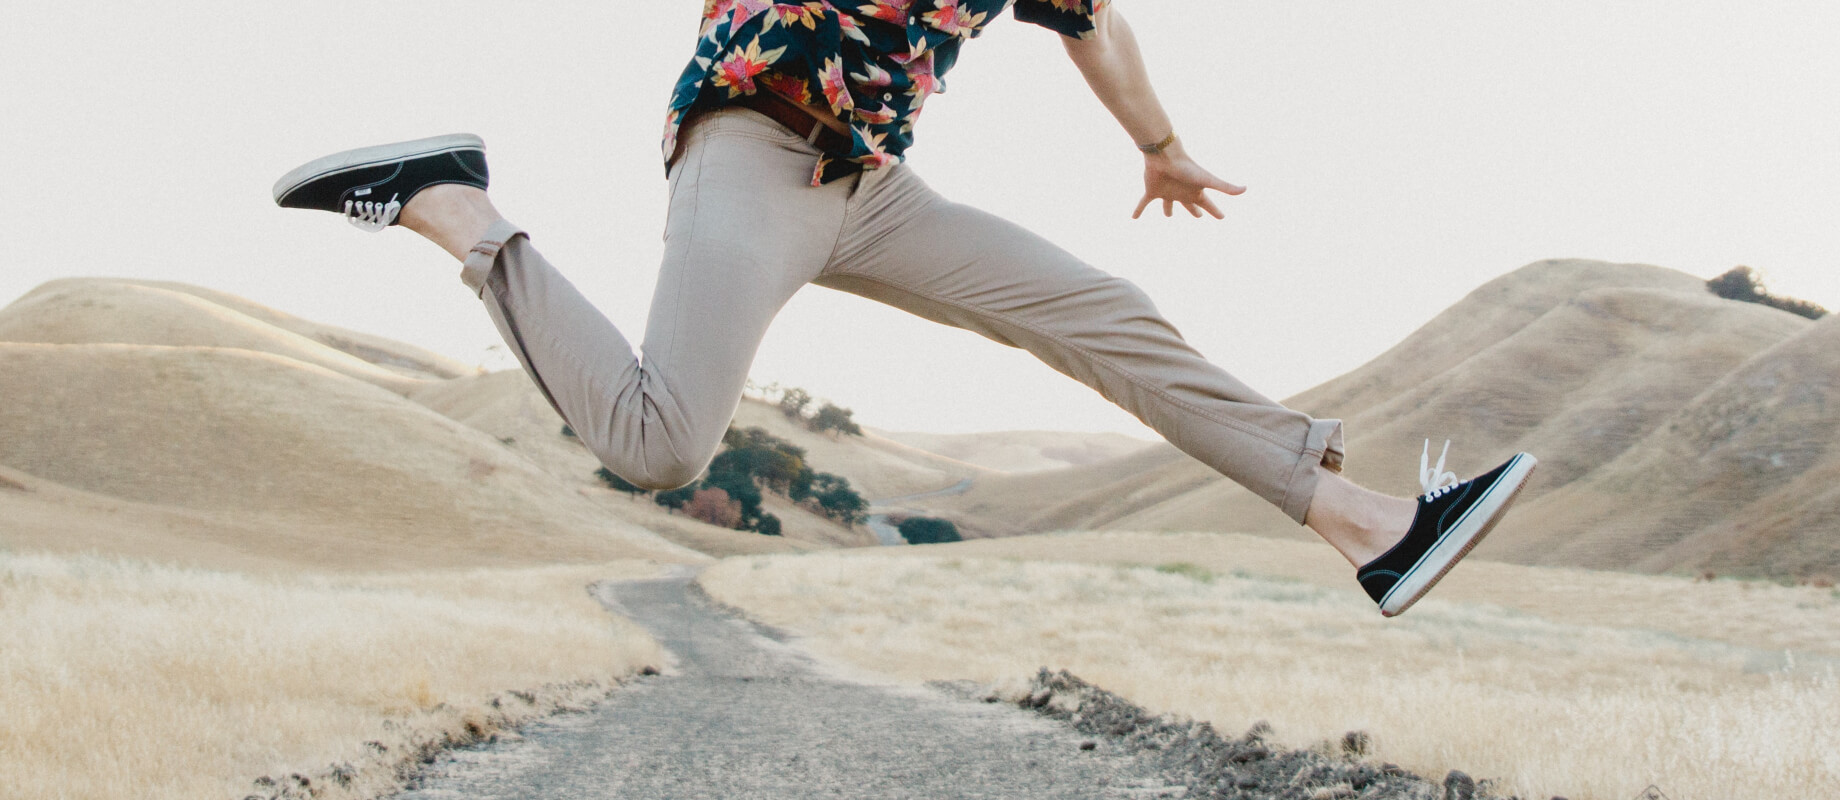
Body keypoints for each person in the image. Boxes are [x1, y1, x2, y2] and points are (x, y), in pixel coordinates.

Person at [272, 0, 1534, 617]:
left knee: (1096, 307)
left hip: (872, 188)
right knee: (660, 443)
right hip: (749, 154)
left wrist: (1159, 146)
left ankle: (1371, 526)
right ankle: (450, 204)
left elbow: (1092, 22)